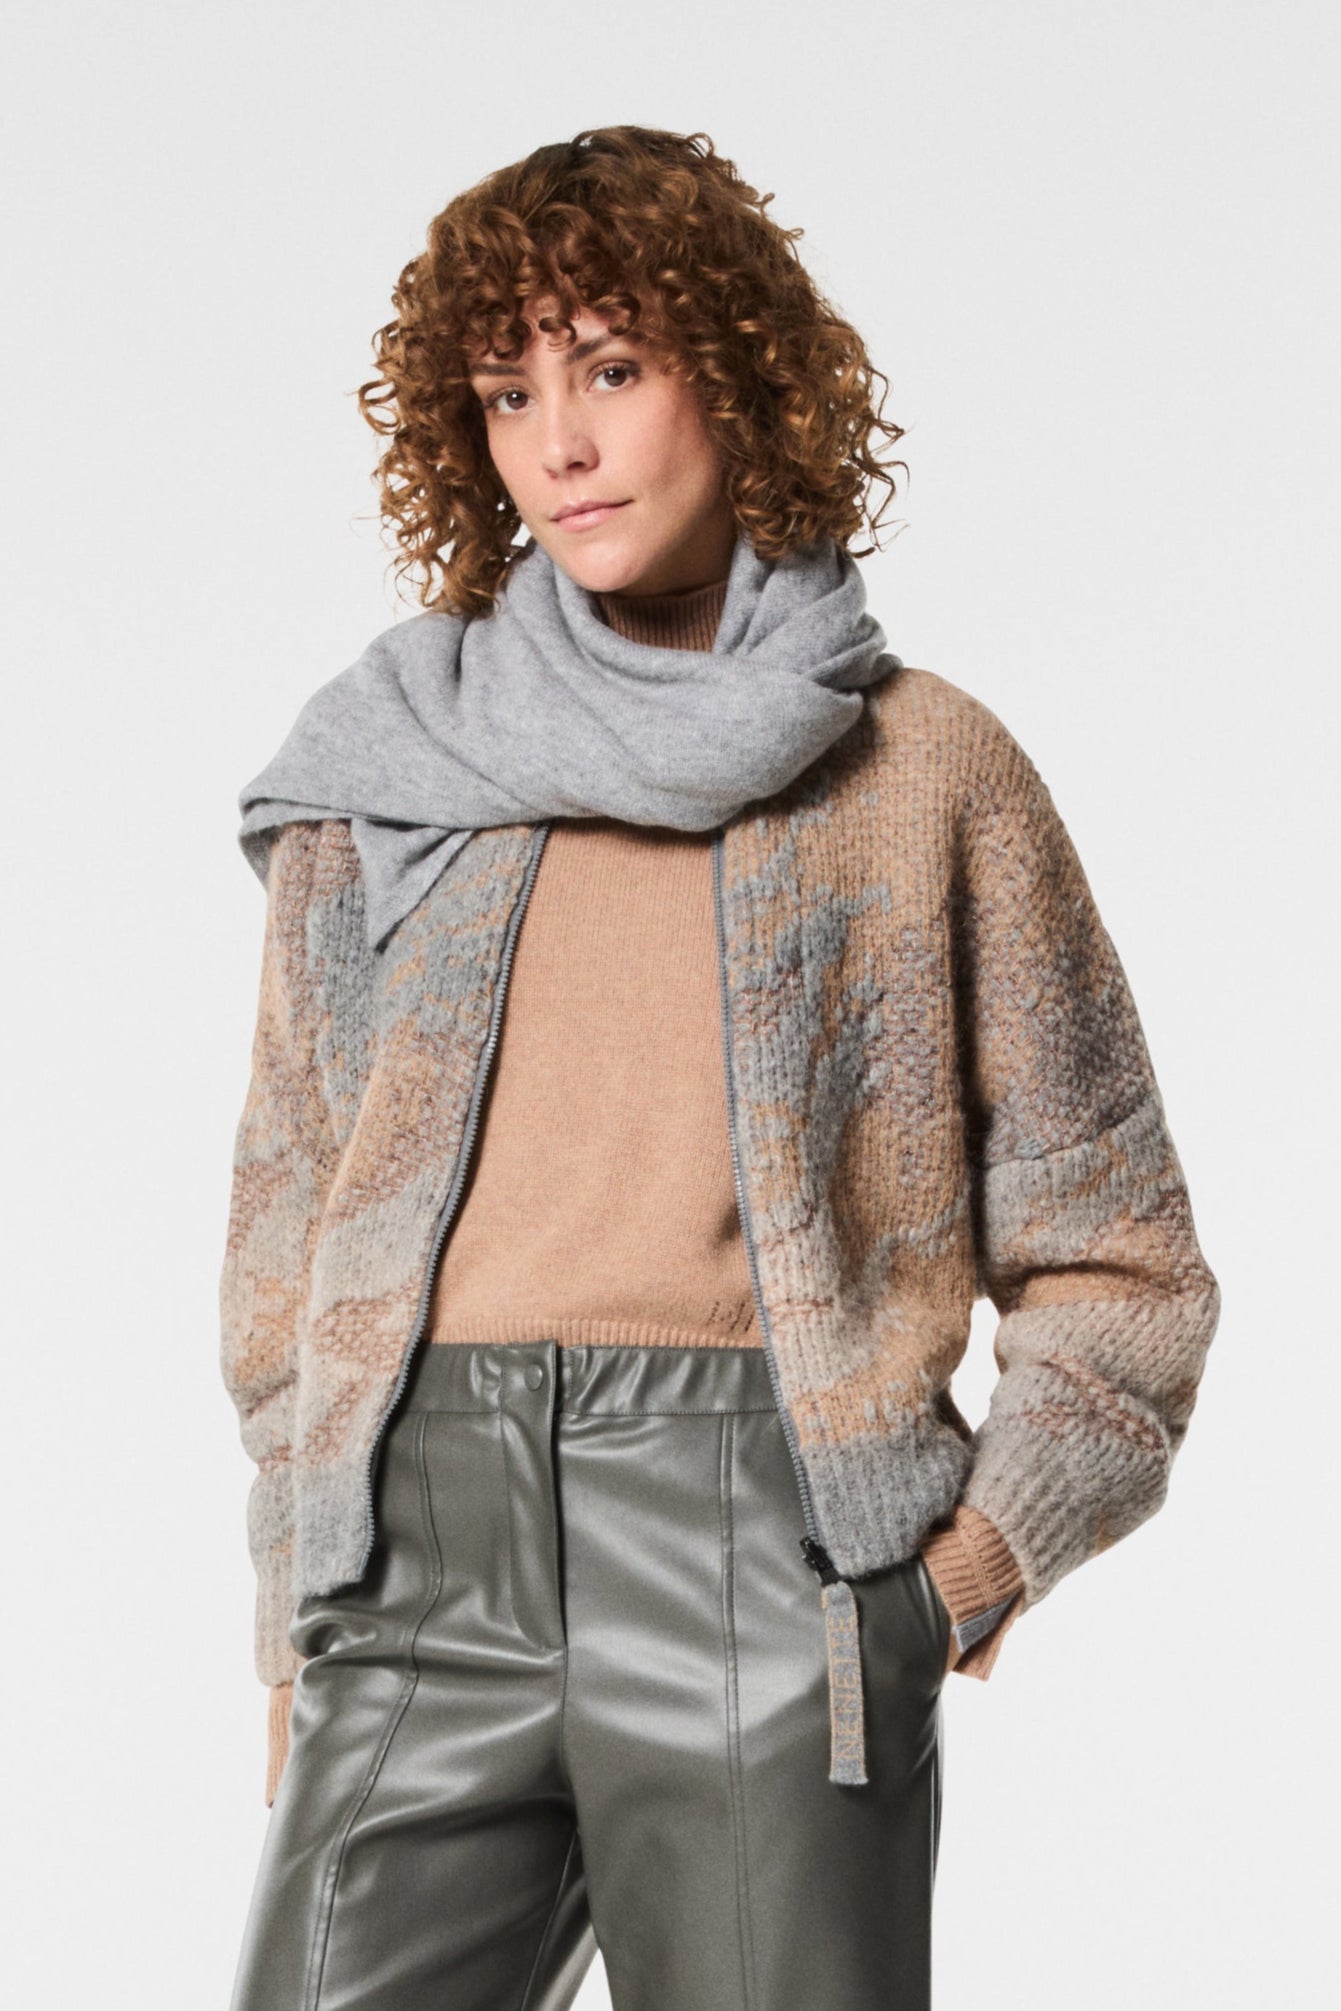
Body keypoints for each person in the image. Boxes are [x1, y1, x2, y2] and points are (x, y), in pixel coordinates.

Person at [219, 125, 1221, 2011]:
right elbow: (290, 1215)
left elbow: (1117, 1251)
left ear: (742, 378)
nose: (559, 444)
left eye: (609, 369)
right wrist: (298, 1593)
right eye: (508, 394)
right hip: (417, 1584)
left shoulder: (919, 770)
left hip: (770, 1577)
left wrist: (962, 1575)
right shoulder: (390, 769)